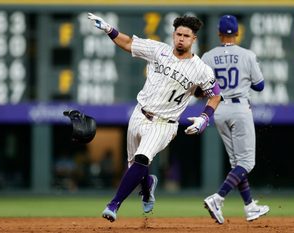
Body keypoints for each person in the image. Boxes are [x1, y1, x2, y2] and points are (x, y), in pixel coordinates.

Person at [88, 13, 221, 222]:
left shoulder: (201, 69)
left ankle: (113, 204)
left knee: (142, 158)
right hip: (139, 114)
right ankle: (147, 183)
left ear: (194, 39)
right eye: (178, 34)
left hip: (164, 124)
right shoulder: (158, 50)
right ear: (173, 34)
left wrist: (205, 117)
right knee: (134, 168)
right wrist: (108, 30)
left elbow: (216, 94)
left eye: (186, 35)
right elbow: (129, 44)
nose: (181, 39)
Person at [201, 15, 269, 224]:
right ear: (237, 33)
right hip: (239, 108)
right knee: (247, 162)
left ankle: (249, 207)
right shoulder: (247, 55)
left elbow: (200, 85)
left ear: (219, 33)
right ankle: (218, 198)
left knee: (236, 164)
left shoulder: (208, 56)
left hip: (218, 109)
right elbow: (259, 86)